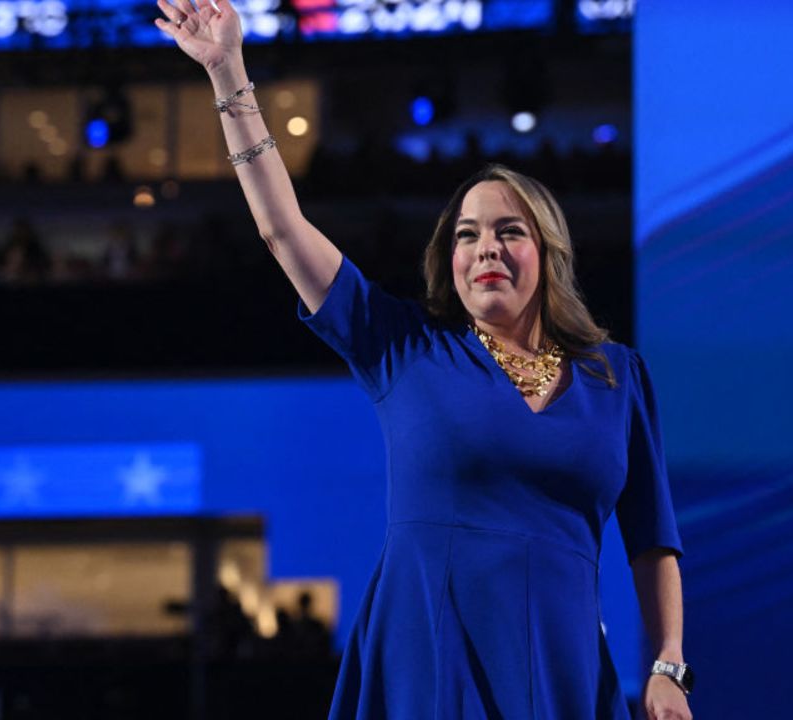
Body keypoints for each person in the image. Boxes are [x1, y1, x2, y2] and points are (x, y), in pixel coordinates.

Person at [155, 3, 692, 719]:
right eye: (467, 235)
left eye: (509, 232)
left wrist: (668, 667)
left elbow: (653, 539)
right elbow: (283, 230)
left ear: (550, 254)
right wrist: (228, 71)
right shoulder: (403, 347)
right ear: (450, 259)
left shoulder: (616, 377)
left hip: (560, 663)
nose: (486, 249)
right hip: (429, 655)